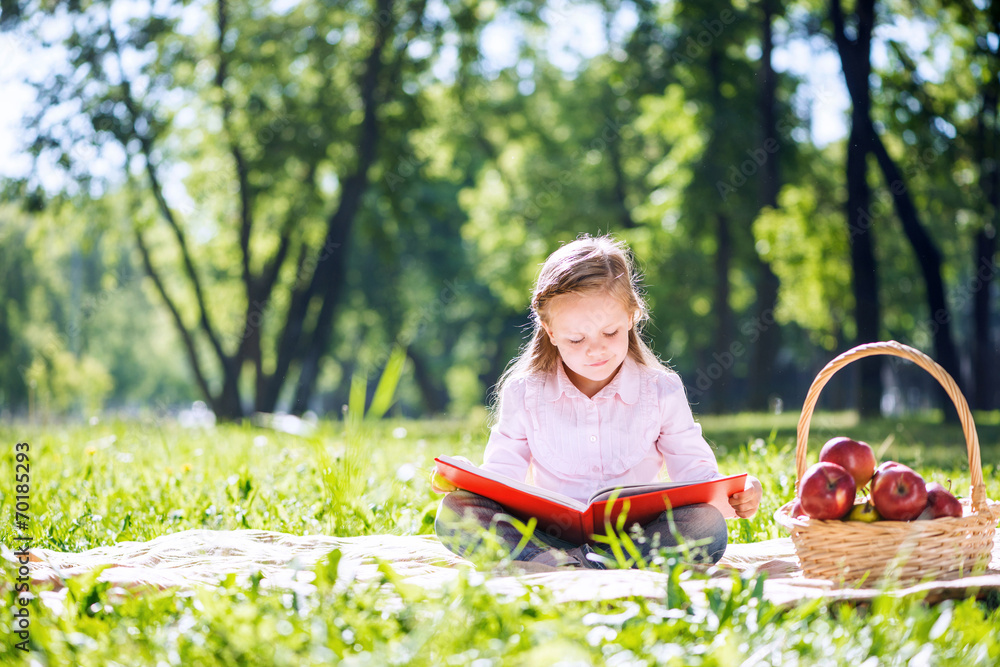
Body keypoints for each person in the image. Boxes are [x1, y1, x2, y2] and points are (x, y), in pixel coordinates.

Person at [433, 234, 762, 569]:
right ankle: (570, 563)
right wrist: (469, 479)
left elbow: (697, 476)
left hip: (638, 536)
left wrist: (740, 490)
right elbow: (502, 476)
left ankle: (577, 566)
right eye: (576, 339)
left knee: (706, 524)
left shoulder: (661, 390)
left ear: (632, 317)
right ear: (550, 332)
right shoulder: (525, 392)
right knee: (456, 512)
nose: (596, 349)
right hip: (547, 536)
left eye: (610, 333)